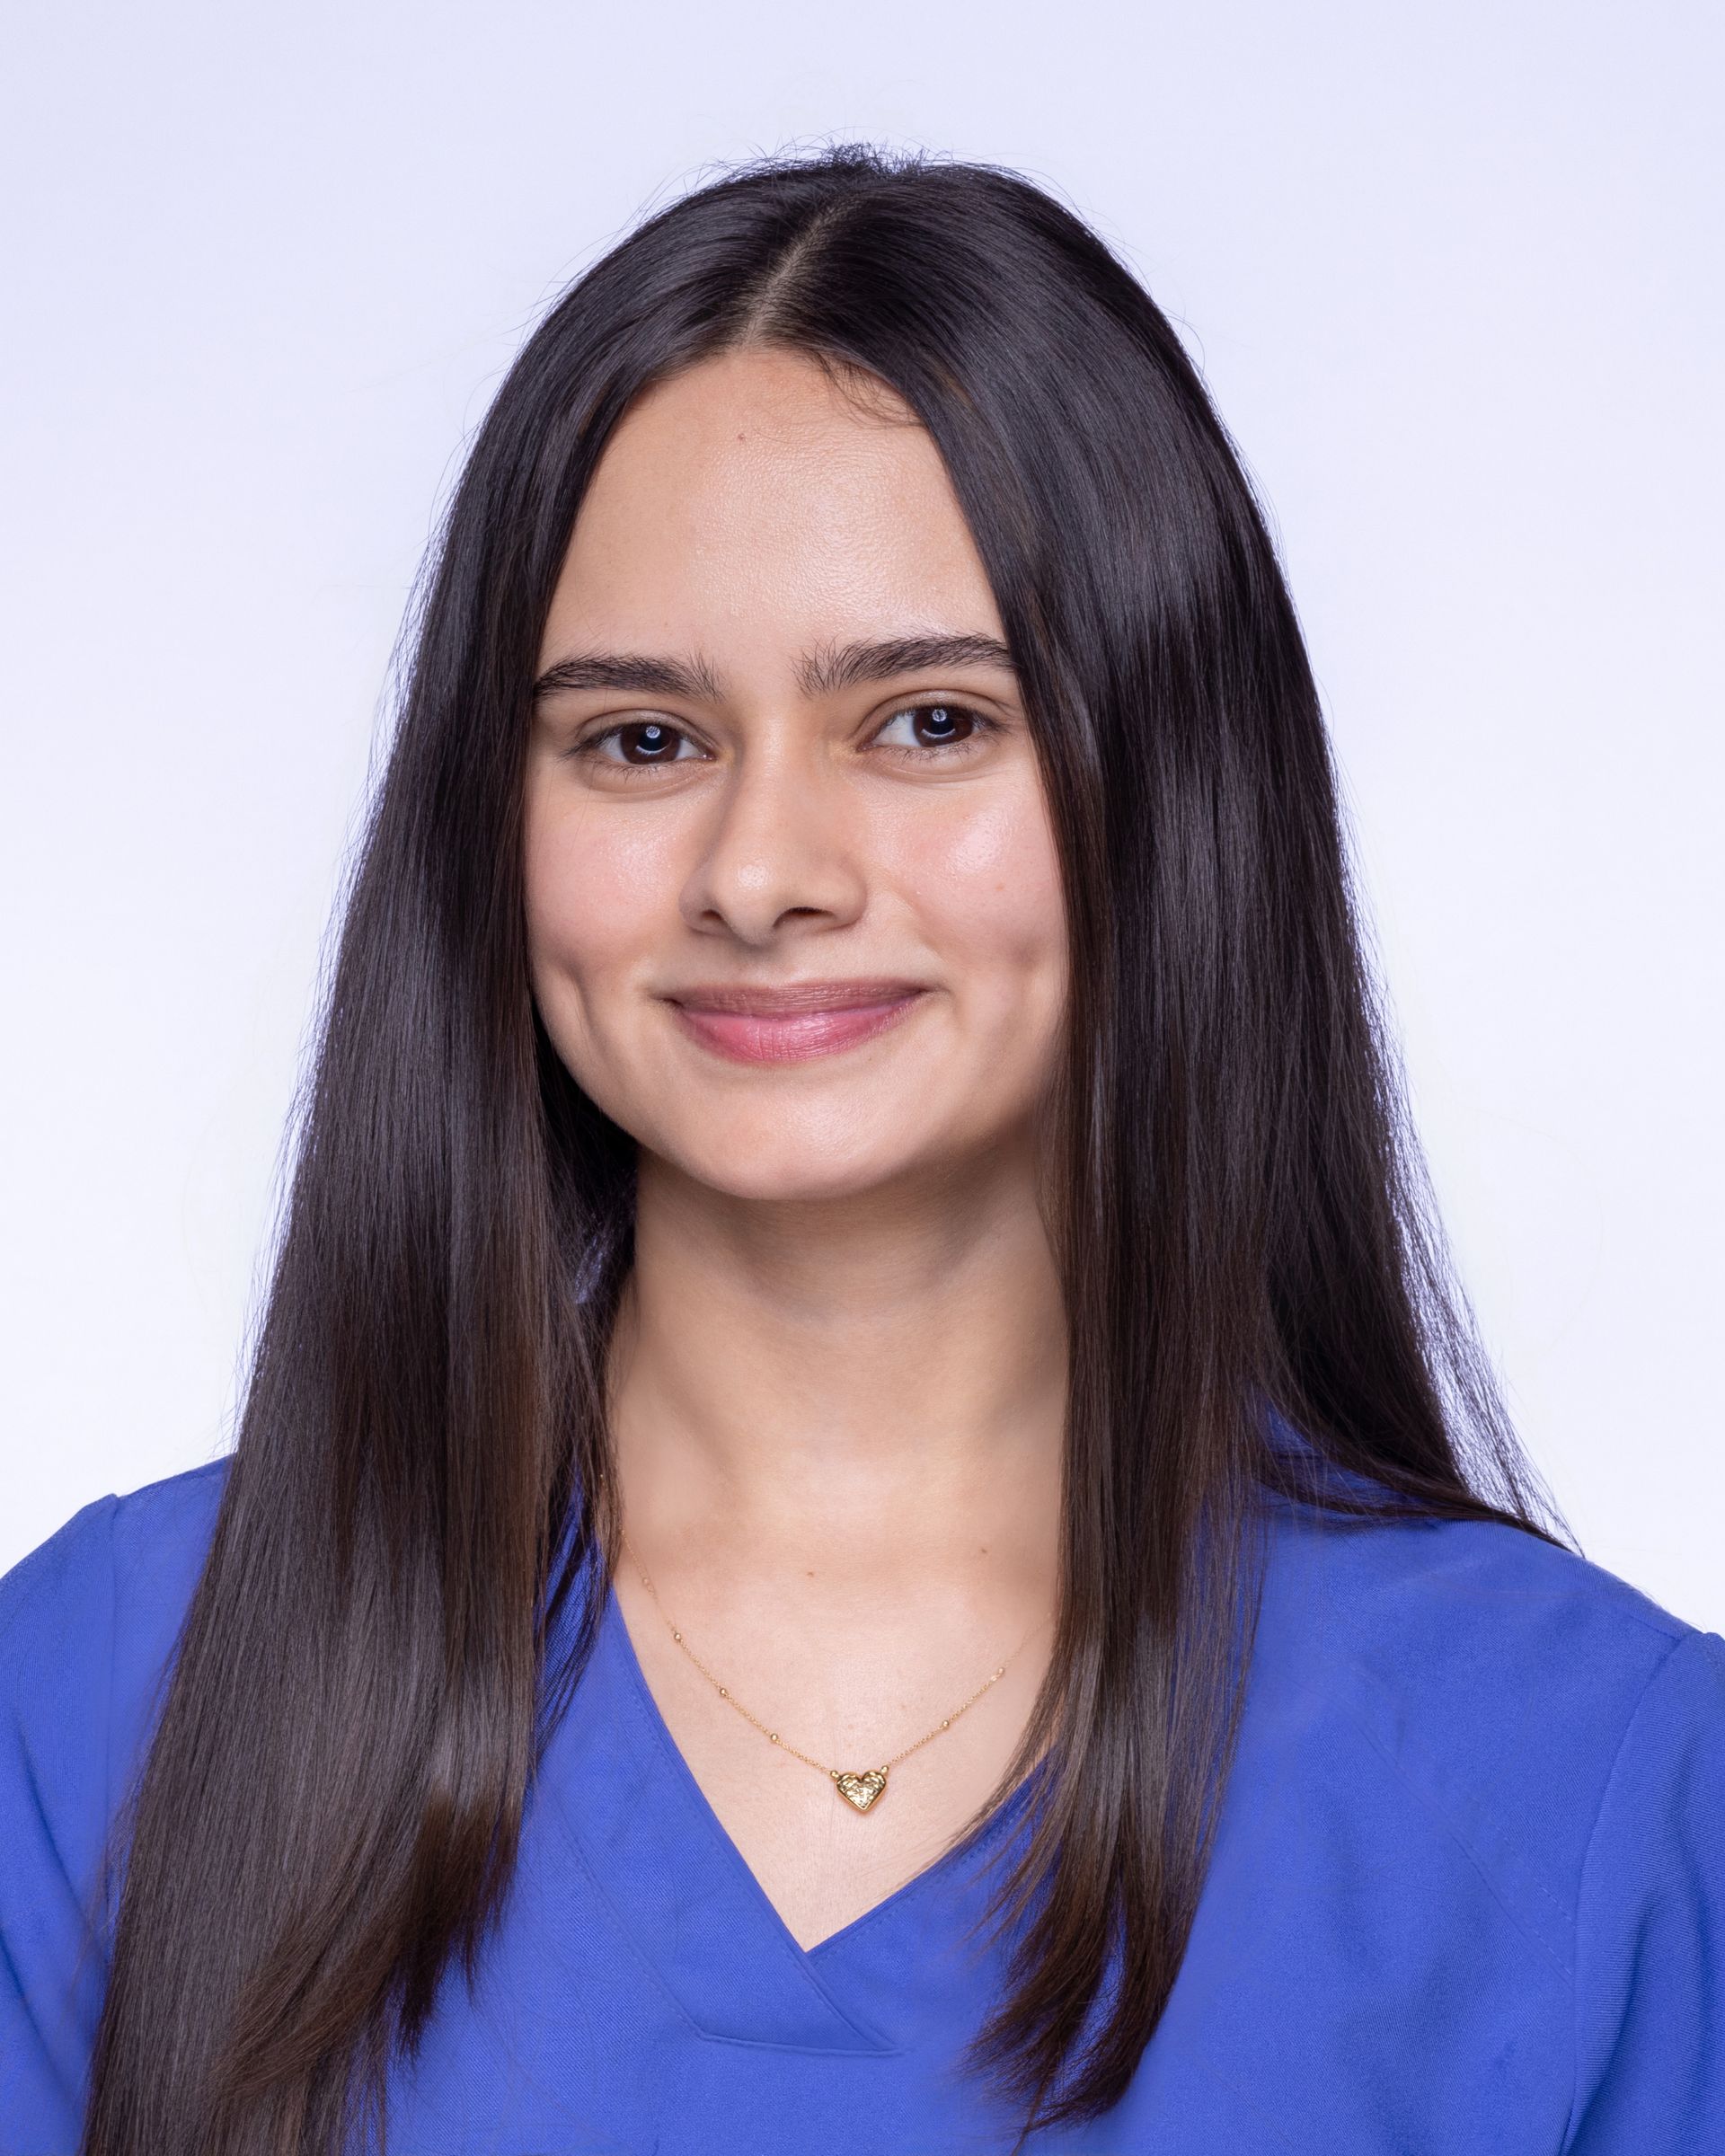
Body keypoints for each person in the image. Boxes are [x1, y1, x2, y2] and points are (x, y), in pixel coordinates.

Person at [2, 144, 1720, 2156]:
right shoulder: (109, 1687)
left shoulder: (1594, 1779)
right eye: (641, 740)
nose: (760, 873)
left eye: (925, 723)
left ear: (1173, 788)